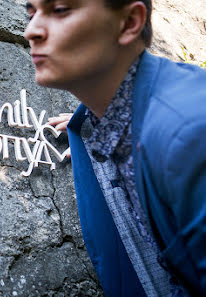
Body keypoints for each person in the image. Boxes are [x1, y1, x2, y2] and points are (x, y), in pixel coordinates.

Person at [24, 0, 205, 296]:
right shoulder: (110, 124)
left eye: (59, 10)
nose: (31, 30)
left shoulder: (189, 132)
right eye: (30, 14)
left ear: (130, 22)